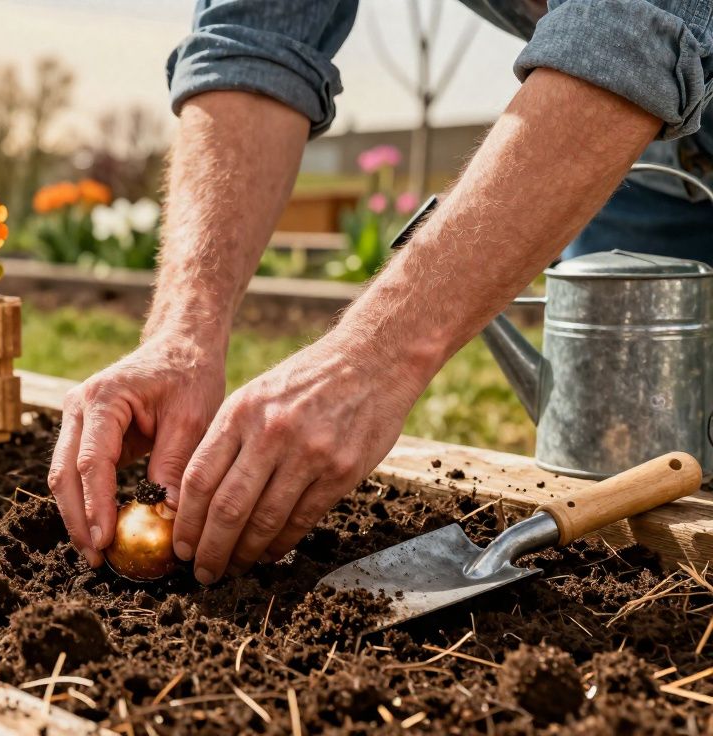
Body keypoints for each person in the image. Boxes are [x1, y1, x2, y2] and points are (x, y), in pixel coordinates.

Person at [47, 0, 713, 586]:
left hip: (633, 96)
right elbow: (252, 38)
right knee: (628, 464)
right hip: (651, 165)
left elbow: (632, 24)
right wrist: (181, 331)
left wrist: (373, 358)